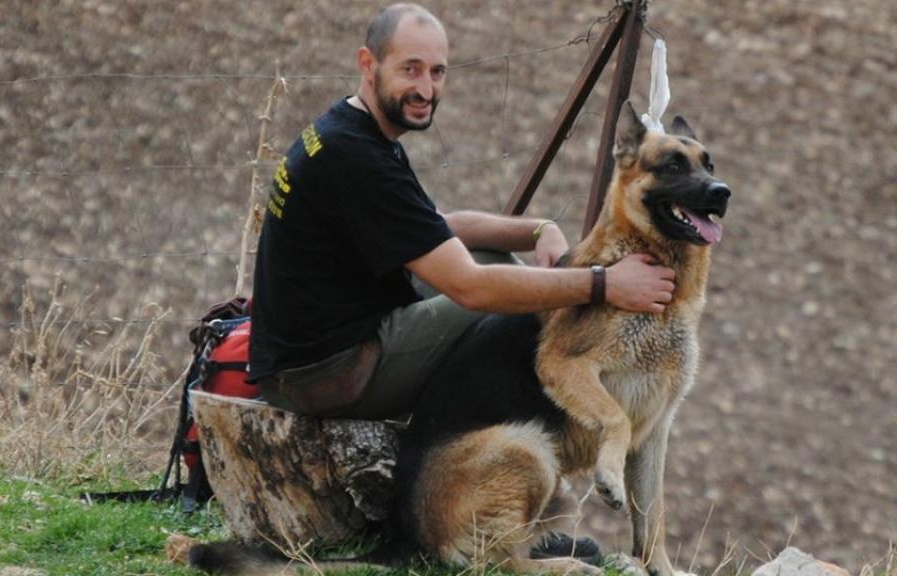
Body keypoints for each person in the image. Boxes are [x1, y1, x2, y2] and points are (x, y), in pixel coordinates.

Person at [248, 3, 676, 421]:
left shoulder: (352, 128)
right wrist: (606, 284)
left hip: (309, 354)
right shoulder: (357, 158)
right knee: (520, 308)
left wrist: (536, 230)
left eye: (437, 72)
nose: (426, 89)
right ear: (368, 63)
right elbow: (472, 289)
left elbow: (437, 226)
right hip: (325, 376)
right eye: (410, 69)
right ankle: (485, 443)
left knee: (496, 261)